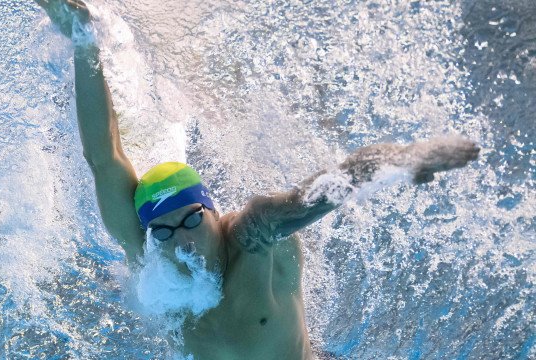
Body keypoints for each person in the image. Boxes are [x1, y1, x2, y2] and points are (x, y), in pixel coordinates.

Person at [37, 1, 480, 359]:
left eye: (191, 221)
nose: (179, 242)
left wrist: (407, 160)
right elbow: (103, 156)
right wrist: (82, 40)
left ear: (211, 212)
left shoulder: (254, 237)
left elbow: (331, 187)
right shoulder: (149, 254)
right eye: (165, 231)